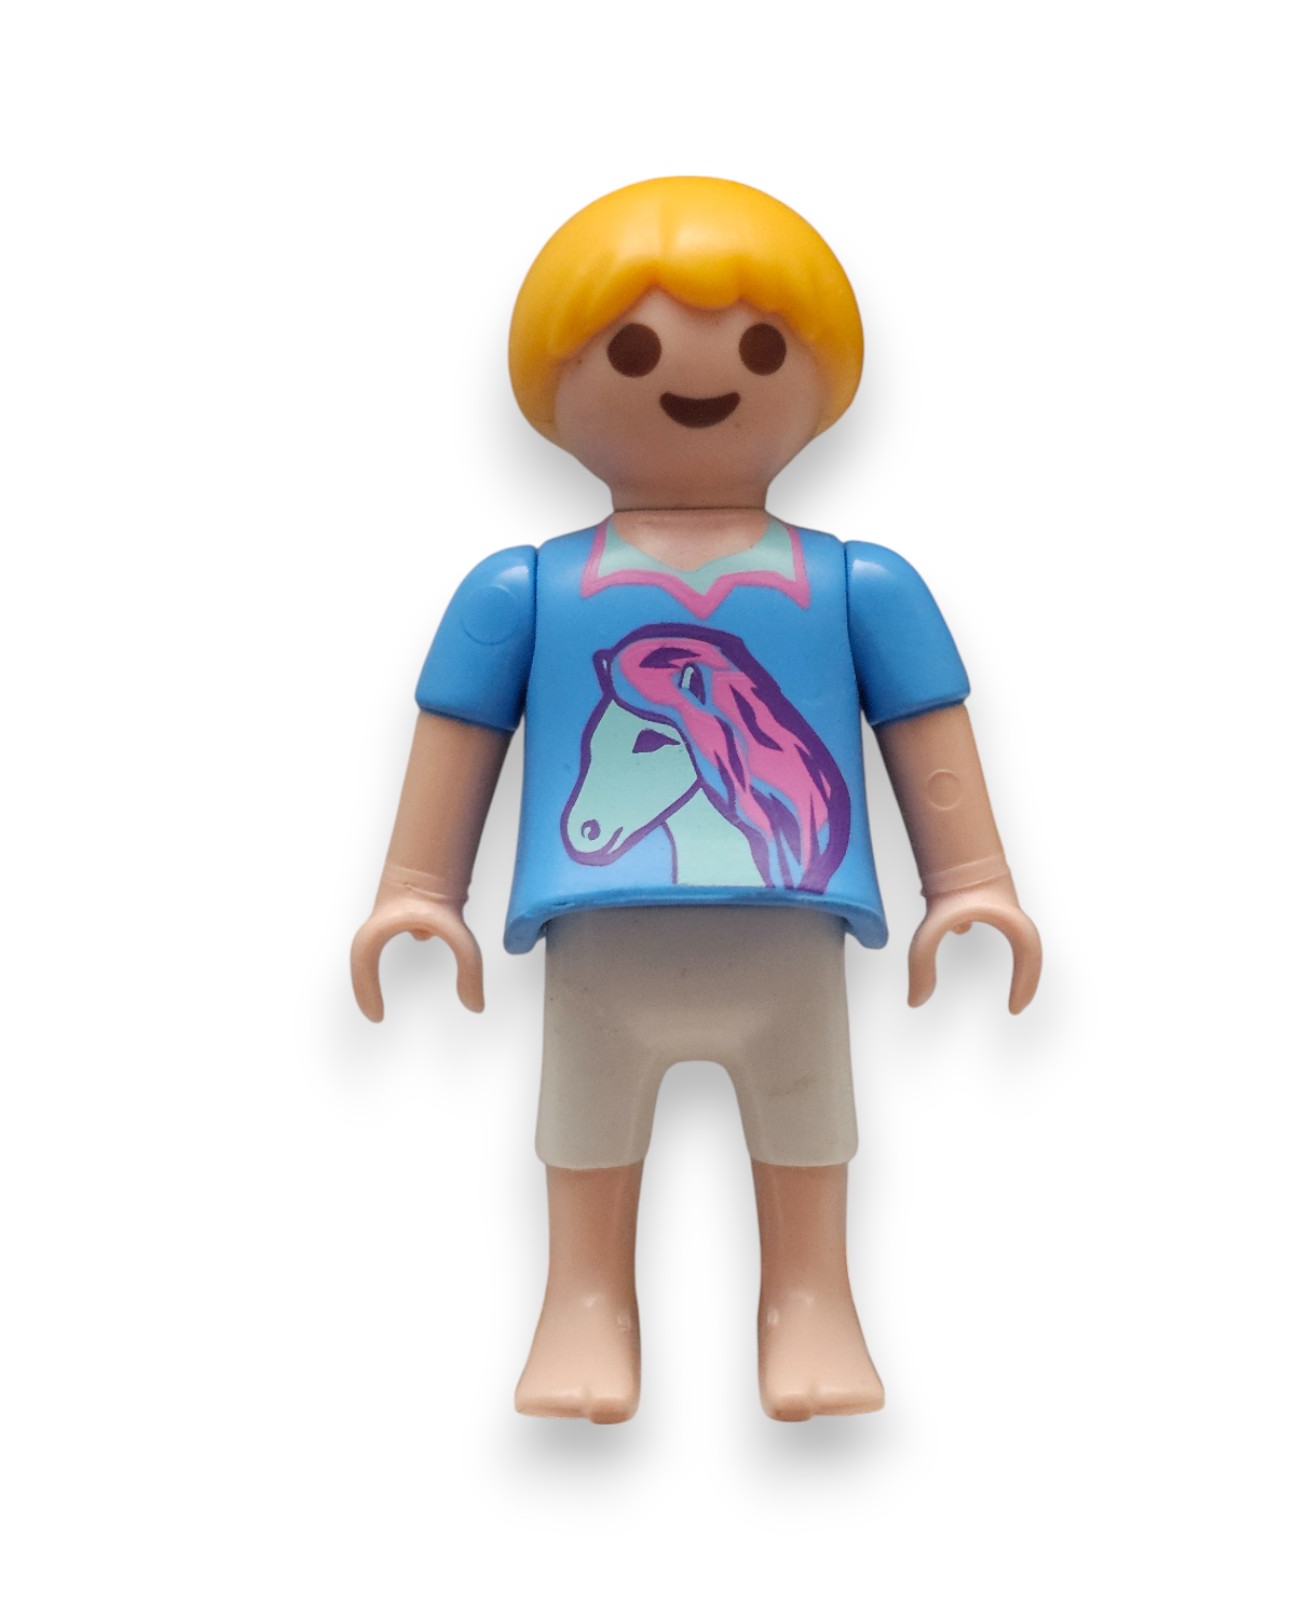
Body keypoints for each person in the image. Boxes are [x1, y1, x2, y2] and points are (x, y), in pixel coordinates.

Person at [351, 177, 1041, 1422]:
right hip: (599, 932)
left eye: (762, 349)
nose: (699, 380)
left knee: (805, 1112)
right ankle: (583, 1302)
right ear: (551, 382)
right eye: (632, 352)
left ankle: (811, 1300)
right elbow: (461, 735)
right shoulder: (525, 590)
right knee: (586, 1114)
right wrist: (416, 890)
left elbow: (925, 732)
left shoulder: (855, 584)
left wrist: (971, 881)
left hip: (790, 921)